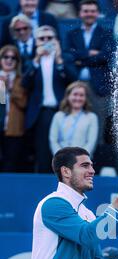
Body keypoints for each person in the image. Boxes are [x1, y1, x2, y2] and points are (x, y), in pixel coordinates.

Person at [22, 25, 77, 172]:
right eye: (42, 38)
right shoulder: (30, 61)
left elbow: (74, 81)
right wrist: (36, 60)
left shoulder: (65, 57)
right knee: (43, 153)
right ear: (36, 42)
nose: (46, 41)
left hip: (63, 111)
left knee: (64, 152)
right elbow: (24, 84)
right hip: (41, 114)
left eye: (49, 38)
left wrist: (59, 60)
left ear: (56, 40)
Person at [63, 0, 115, 146]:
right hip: (75, 83)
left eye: (92, 11)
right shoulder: (71, 34)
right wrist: (90, 54)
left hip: (98, 86)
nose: (89, 14)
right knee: (74, 121)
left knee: (98, 124)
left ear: (97, 13)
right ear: (80, 13)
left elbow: (106, 56)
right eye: (86, 11)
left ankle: (94, 162)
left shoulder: (106, 33)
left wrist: (81, 58)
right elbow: (68, 56)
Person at [49, 81, 99, 158]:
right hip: (61, 160)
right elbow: (53, 140)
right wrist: (60, 157)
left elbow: (91, 142)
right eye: (75, 94)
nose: (78, 98)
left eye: (81, 95)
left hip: (82, 161)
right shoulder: (58, 116)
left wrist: (78, 158)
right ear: (68, 96)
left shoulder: (91, 117)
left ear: (86, 98)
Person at [0, 45, 28, 172]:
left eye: (13, 58)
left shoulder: (21, 80)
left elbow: (23, 103)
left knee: (10, 163)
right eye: (6, 57)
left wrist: (10, 88)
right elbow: (1, 101)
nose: (9, 60)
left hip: (14, 128)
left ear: (17, 62)